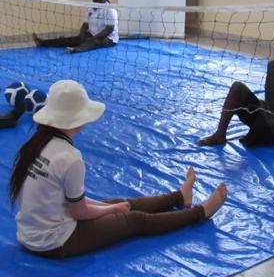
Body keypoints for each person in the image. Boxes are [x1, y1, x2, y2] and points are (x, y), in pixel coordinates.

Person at [9, 80, 227, 258]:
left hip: (31, 234)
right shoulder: (69, 157)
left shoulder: (36, 144)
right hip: (55, 242)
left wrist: (111, 206)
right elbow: (79, 212)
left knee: (118, 203)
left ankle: (180, 197)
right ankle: (200, 212)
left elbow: (69, 202)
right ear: (74, 119)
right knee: (134, 219)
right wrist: (112, 210)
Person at [200, 33, 274, 150]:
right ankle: (220, 134)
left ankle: (257, 134)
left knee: (252, 138)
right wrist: (239, 105)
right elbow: (270, 101)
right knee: (237, 87)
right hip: (265, 115)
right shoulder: (272, 66)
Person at [32, 0, 119, 54]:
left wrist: (93, 38)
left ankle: (76, 49)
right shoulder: (91, 9)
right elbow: (85, 25)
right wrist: (82, 34)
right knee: (71, 39)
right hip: (92, 34)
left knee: (93, 42)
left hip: (108, 38)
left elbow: (109, 30)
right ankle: (43, 42)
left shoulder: (110, 10)